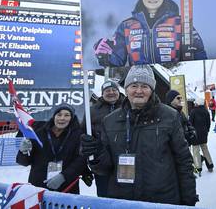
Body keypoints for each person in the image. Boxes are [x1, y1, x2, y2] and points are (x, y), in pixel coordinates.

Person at [80, 65, 197, 206]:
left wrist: (188, 199)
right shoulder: (110, 121)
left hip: (162, 199)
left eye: (144, 86)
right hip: (123, 201)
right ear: (126, 89)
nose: (139, 91)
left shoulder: (170, 116)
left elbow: (183, 161)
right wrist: (95, 153)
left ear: (152, 90)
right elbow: (104, 168)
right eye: (134, 85)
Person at [94, 0, 207, 66]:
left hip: (173, 78)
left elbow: (199, 54)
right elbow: (117, 62)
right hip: (141, 82)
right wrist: (105, 55)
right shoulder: (126, 26)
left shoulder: (181, 23)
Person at [16, 103, 87, 194]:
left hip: (67, 187)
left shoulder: (79, 135)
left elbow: (81, 161)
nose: (62, 118)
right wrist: (23, 152)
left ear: (72, 118)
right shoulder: (39, 132)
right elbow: (23, 162)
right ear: (54, 117)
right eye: (59, 114)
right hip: (38, 187)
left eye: (67, 115)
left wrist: (64, 176)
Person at [81, 79, 125, 197]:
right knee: (104, 194)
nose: (111, 92)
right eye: (107, 90)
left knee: (126, 196)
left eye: (114, 90)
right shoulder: (92, 111)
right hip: (101, 160)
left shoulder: (128, 107)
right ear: (102, 93)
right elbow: (83, 134)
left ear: (118, 91)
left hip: (124, 158)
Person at [189, 97, 214, 176]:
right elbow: (208, 123)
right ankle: (210, 166)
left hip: (195, 135)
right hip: (204, 134)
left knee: (196, 151)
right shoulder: (206, 111)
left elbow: (190, 124)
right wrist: (207, 131)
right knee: (205, 149)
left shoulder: (193, 111)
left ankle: (198, 168)